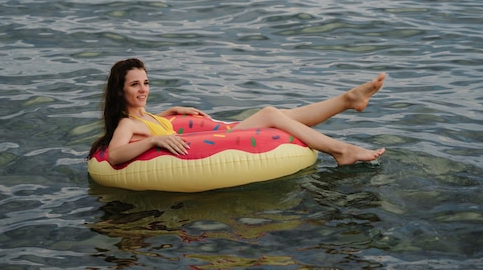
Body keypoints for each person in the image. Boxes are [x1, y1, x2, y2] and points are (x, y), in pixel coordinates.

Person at [89, 58, 386, 166]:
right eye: (135, 85)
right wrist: (152, 141)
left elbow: (153, 124)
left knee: (281, 114)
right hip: (206, 148)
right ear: (120, 91)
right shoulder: (127, 125)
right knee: (272, 113)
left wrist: (168, 113)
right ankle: (340, 147)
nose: (143, 90)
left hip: (208, 137)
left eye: (146, 83)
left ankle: (349, 100)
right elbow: (115, 155)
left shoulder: (146, 116)